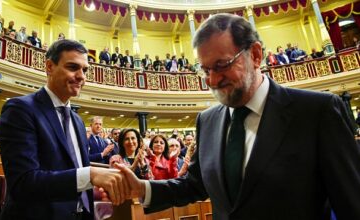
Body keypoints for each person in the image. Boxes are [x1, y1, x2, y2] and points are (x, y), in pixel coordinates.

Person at [118, 13, 360, 219]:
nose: (212, 80)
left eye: (222, 65)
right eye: (205, 70)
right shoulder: (208, 121)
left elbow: (352, 203)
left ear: (255, 55)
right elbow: (196, 184)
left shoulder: (317, 112)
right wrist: (142, 188)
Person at [0, 39, 130, 220]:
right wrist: (90, 175)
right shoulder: (20, 110)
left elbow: (74, 174)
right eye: (73, 67)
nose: (82, 76)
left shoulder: (77, 121)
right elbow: (23, 183)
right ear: (50, 67)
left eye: (85, 70)